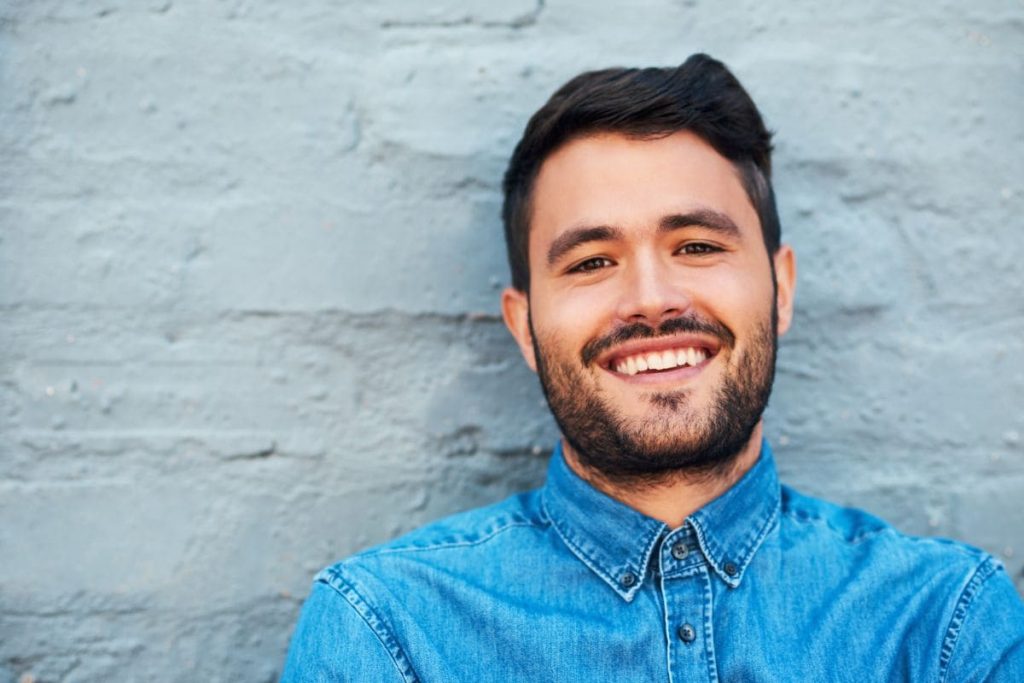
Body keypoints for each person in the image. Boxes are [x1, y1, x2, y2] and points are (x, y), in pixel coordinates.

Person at [281, 54, 1024, 681]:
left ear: (782, 288)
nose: (651, 300)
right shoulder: (388, 630)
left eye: (697, 245)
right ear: (525, 326)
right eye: (593, 260)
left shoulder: (944, 625)